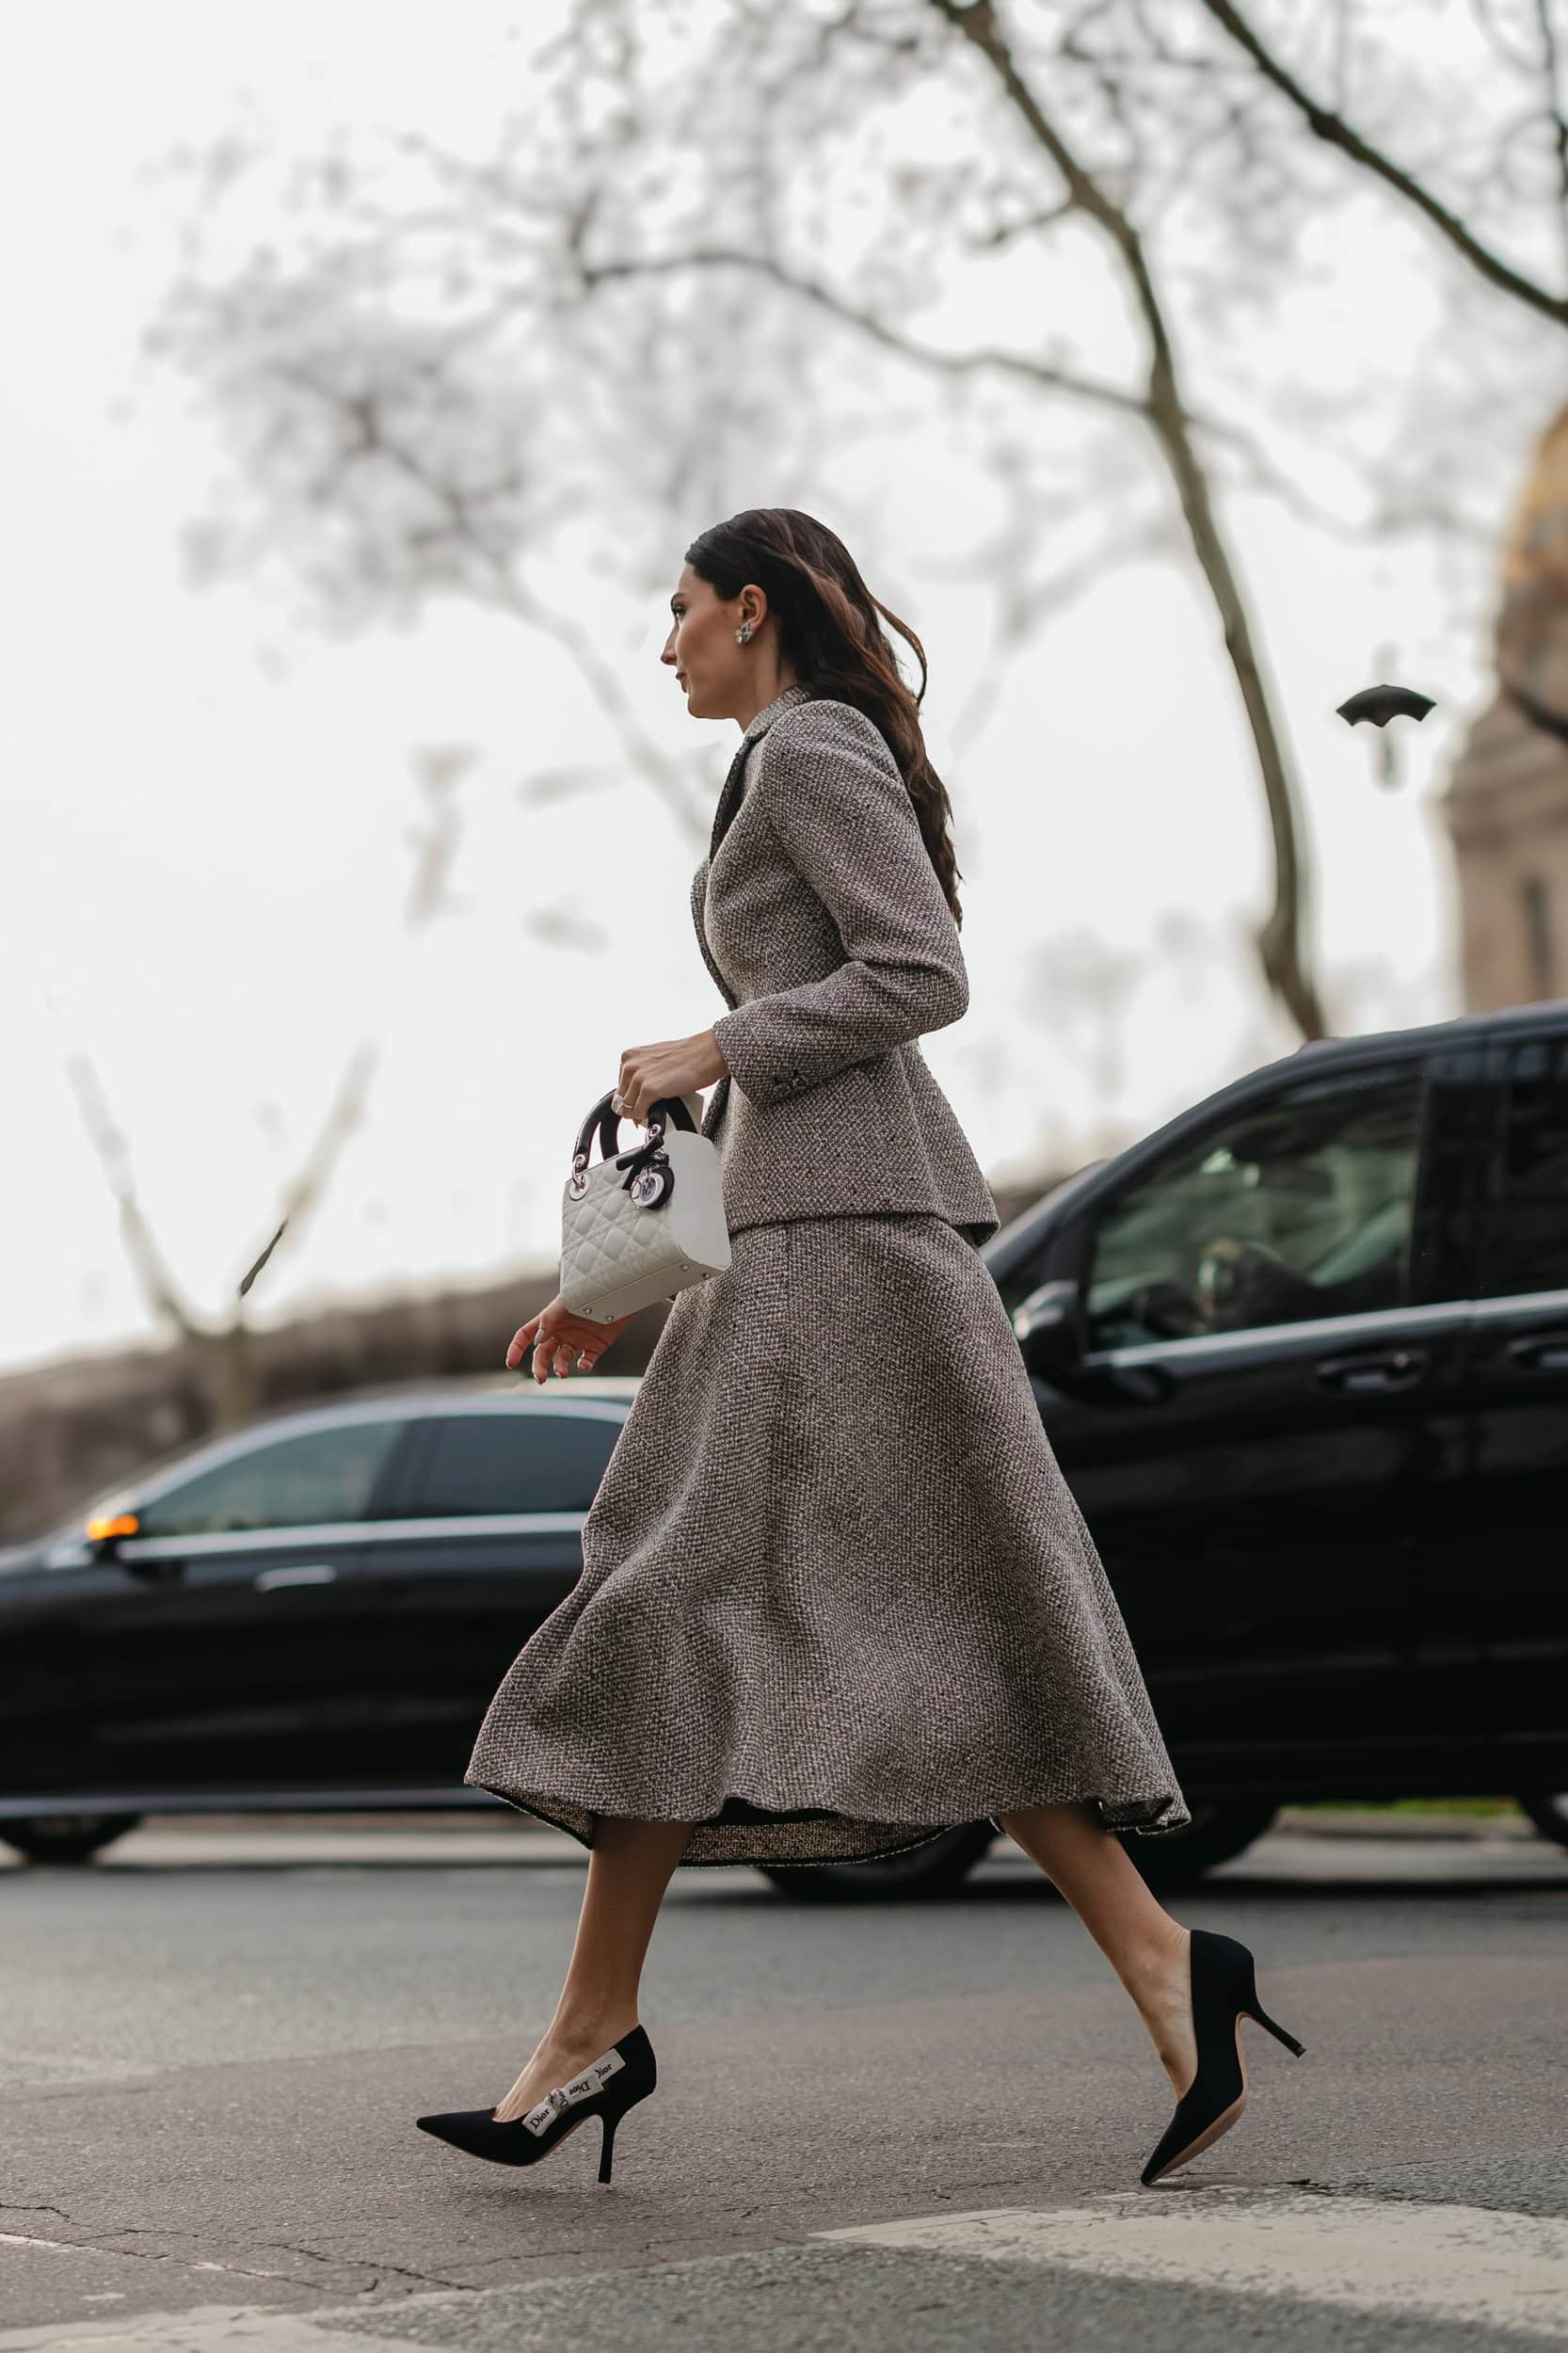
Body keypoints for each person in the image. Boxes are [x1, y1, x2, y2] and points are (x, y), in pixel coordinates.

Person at [415, 507, 1304, 2189]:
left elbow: (919, 974)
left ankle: (604, 2027)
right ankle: (1151, 1964)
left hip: (847, 1250)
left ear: (750, 611)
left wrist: (711, 1042)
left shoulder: (813, 749)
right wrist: (620, 1277)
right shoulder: (778, 760)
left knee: (690, 1598)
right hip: (794, 1243)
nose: (663, 641)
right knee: (847, 1617)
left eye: (679, 608)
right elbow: (810, 1056)